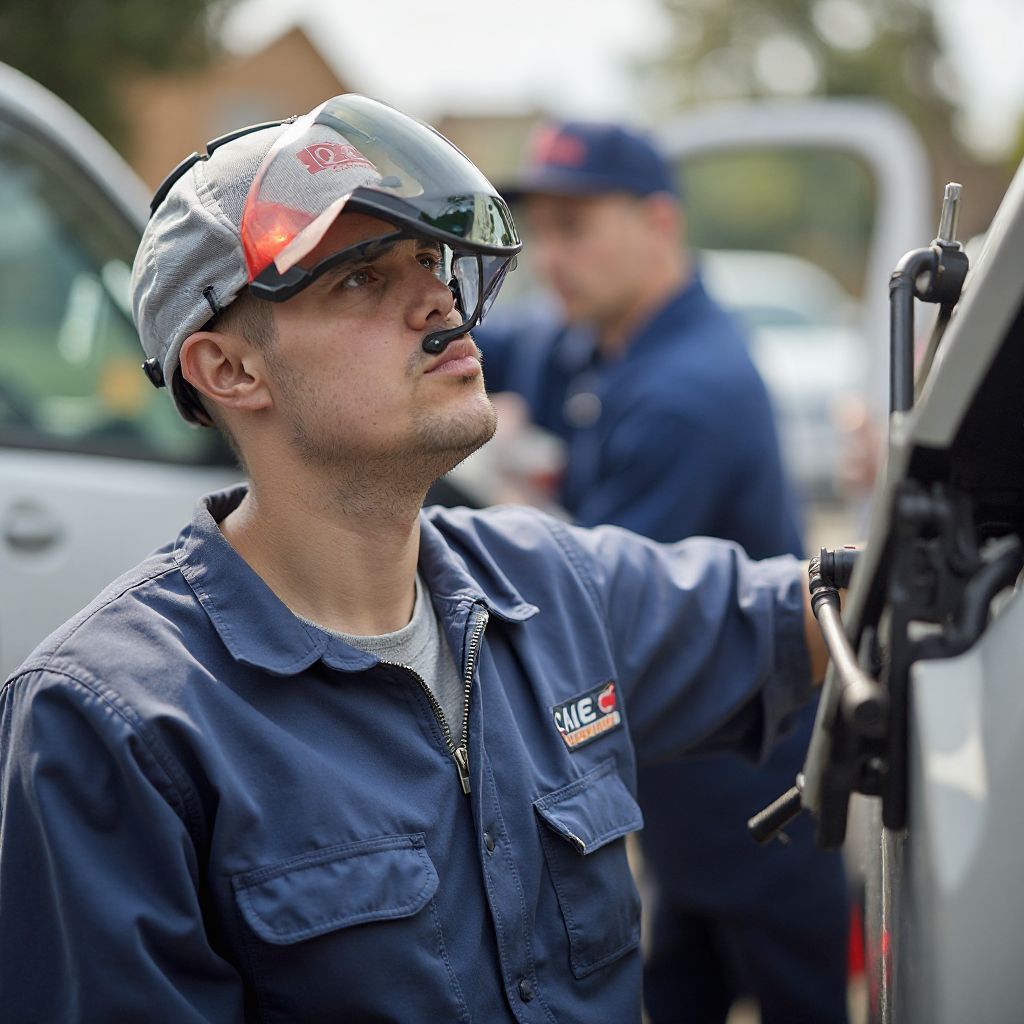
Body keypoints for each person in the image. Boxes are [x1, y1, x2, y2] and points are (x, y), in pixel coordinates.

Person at [0, 94, 832, 1024]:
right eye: (359, 278)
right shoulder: (108, 725)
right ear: (228, 370)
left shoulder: (549, 585)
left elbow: (832, 608)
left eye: (431, 261)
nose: (438, 300)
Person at [475, 120, 850, 1023]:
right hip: (676, 794)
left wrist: (509, 498)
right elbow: (491, 346)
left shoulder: (690, 393)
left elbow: (589, 610)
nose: (552, 258)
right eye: (542, 232)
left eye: (576, 228)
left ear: (659, 225)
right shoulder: (596, 338)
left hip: (752, 790)